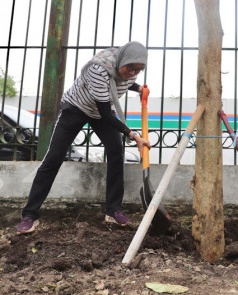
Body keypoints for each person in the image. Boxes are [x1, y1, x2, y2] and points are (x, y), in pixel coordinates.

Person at [16, 41, 151, 234]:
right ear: (122, 61)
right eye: (130, 68)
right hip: (76, 108)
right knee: (54, 158)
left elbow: (123, 83)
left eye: (138, 70)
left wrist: (138, 88)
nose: (132, 73)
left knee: (116, 153)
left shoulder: (129, 68)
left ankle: (113, 211)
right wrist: (132, 135)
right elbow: (106, 113)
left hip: (100, 112)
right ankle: (30, 215)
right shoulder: (98, 70)